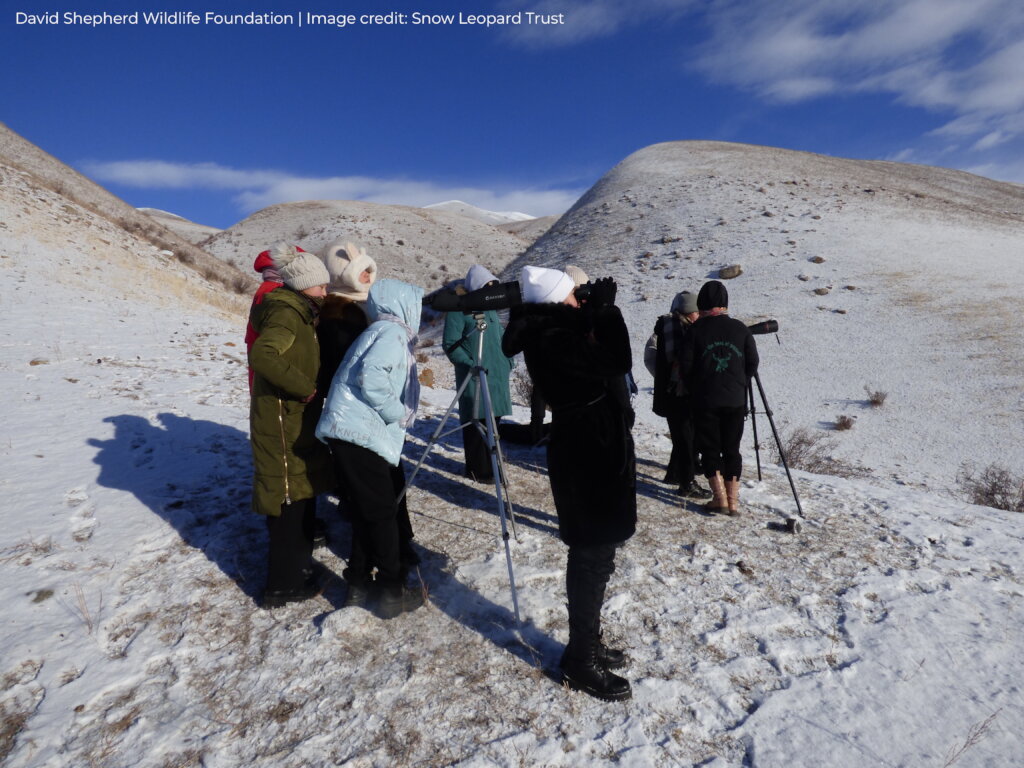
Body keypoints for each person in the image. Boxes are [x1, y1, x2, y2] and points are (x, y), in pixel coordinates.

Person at [502, 265, 636, 702]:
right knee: (591, 555)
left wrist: (595, 312)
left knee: (598, 553)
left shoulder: (555, 331)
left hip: (591, 449)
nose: (581, 299)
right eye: (574, 295)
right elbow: (617, 361)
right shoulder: (553, 338)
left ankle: (588, 643)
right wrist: (609, 314)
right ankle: (580, 661)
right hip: (587, 455)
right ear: (560, 300)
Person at [316, 278, 426, 619]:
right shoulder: (392, 334)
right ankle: (392, 591)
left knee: (368, 510)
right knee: (381, 513)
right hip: (358, 432)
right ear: (405, 306)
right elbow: (372, 376)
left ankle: (358, 583)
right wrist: (398, 414)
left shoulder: (379, 330)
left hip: (353, 432)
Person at [248, 244, 334, 608]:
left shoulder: (300, 311)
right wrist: (305, 388)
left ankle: (297, 569)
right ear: (303, 286)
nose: (326, 293)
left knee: (298, 494)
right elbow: (263, 355)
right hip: (282, 417)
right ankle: (281, 585)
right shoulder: (286, 313)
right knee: (286, 497)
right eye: (321, 287)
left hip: (292, 415)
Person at [679, 280, 759, 516]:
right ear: (724, 303)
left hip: (705, 399)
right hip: (735, 400)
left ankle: (719, 499)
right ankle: (733, 502)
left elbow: (686, 366)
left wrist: (697, 386)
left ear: (702, 303)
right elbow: (753, 363)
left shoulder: (695, 330)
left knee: (710, 448)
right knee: (732, 448)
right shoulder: (740, 329)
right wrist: (738, 382)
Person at [442, 265, 514, 483]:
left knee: (494, 421)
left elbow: (501, 336)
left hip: (497, 374)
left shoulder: (489, 309)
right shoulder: (458, 311)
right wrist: (470, 364)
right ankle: (478, 469)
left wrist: (509, 360)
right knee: (476, 421)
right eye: (487, 287)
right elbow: (450, 343)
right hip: (474, 376)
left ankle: (493, 466)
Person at [643, 291, 713, 500]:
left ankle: (675, 475)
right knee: (685, 438)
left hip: (671, 392)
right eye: (696, 312)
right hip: (679, 393)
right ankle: (686, 484)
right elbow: (680, 361)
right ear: (690, 313)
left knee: (685, 437)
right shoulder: (680, 330)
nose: (699, 316)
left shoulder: (667, 327)